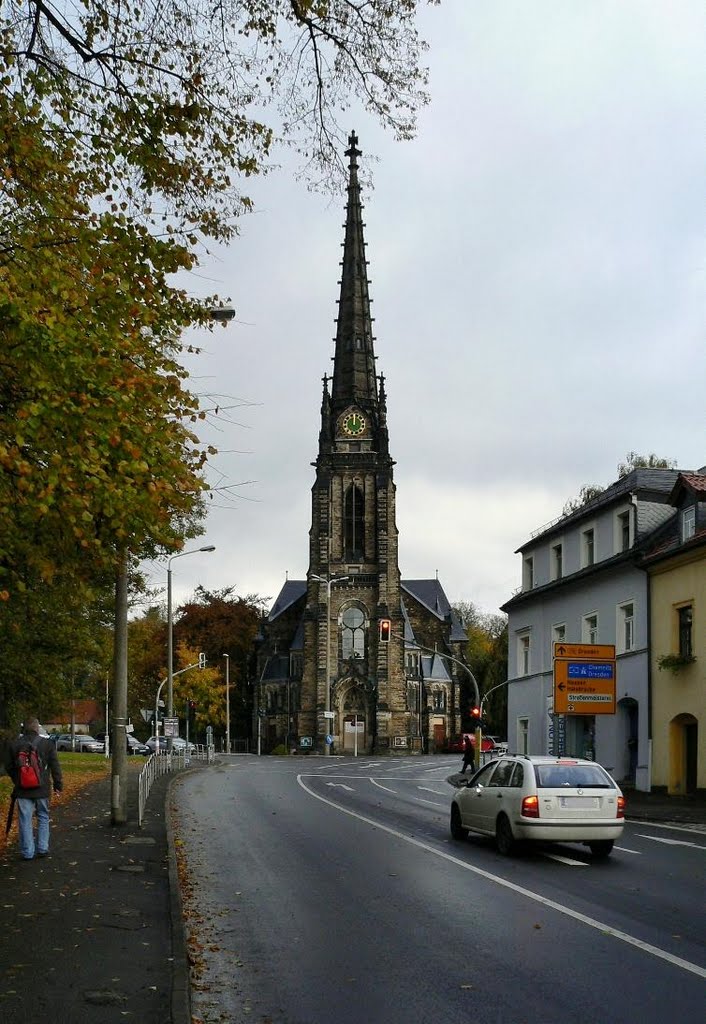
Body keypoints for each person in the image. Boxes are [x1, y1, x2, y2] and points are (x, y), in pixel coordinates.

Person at [5, 717, 63, 860]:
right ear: (37, 728)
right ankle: (42, 848)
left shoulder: (15, 745)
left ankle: (27, 852)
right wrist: (58, 785)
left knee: (25, 819)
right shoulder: (47, 744)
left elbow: (9, 767)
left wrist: (18, 780)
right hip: (42, 789)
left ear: (24, 728)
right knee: (43, 816)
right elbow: (55, 766)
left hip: (23, 790)